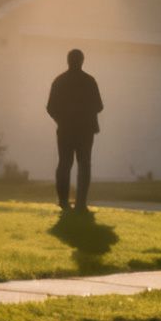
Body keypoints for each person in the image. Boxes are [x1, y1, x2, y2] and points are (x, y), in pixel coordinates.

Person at [46, 48, 103, 212]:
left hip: (65, 129)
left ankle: (63, 201)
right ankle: (81, 203)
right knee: (84, 164)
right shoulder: (89, 81)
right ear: (82, 61)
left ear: (68, 60)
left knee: (64, 163)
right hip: (86, 131)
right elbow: (99, 106)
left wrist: (61, 119)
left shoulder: (59, 81)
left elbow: (50, 107)